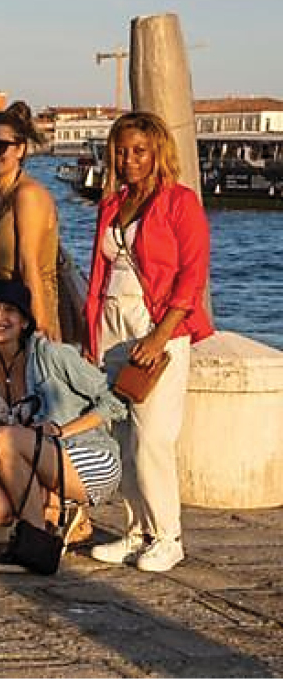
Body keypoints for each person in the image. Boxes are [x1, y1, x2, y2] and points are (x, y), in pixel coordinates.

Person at [0, 281, 124, 574]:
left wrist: (62, 431)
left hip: (87, 458)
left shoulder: (52, 355)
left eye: (9, 311)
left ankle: (35, 546)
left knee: (5, 437)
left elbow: (112, 401)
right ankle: (60, 513)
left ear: (25, 322)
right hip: (34, 470)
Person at [85, 112, 212, 573]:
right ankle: (136, 529)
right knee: (120, 435)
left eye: (139, 150)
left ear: (157, 151)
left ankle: (168, 535)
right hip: (112, 325)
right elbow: (99, 275)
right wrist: (90, 336)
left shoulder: (180, 202)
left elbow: (191, 275)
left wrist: (160, 336)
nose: (129, 159)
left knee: (153, 436)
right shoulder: (113, 204)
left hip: (157, 326)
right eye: (121, 151)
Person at [0, 103, 63, 341]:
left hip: (27, 306)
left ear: (20, 149)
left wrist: (40, 328)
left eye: (0, 147)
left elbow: (28, 263)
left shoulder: (28, 195)